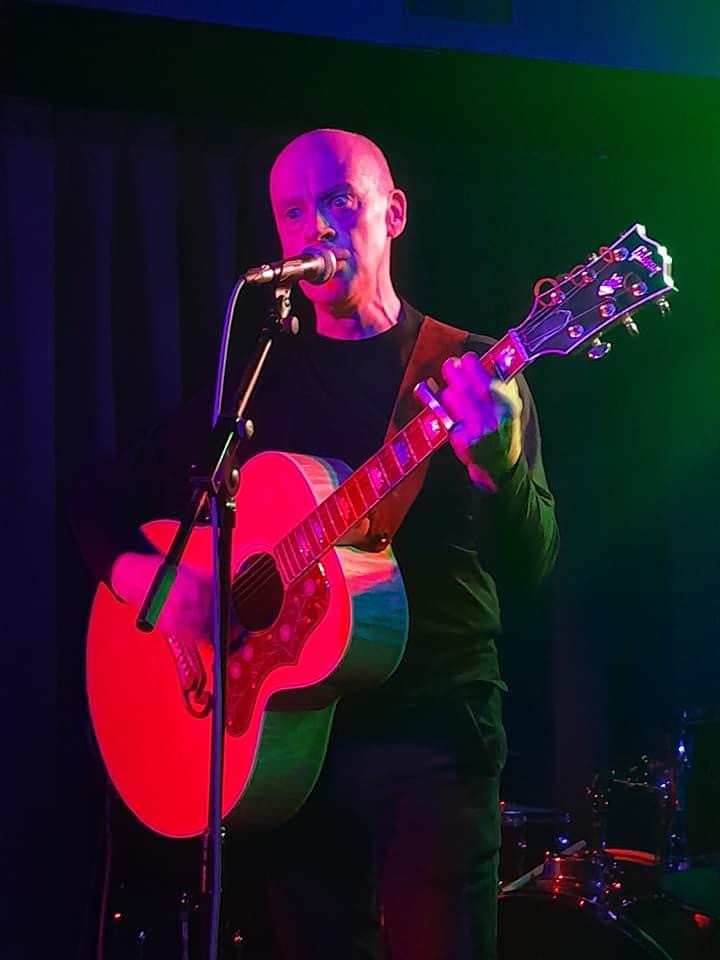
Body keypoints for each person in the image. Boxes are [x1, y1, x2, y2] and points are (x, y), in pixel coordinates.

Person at [77, 128, 558, 959]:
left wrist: (500, 466)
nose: (317, 228)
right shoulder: (260, 382)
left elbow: (533, 566)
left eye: (339, 201)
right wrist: (158, 587)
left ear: (393, 214)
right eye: (294, 212)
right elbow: (97, 498)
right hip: (291, 750)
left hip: (436, 736)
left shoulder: (470, 373)